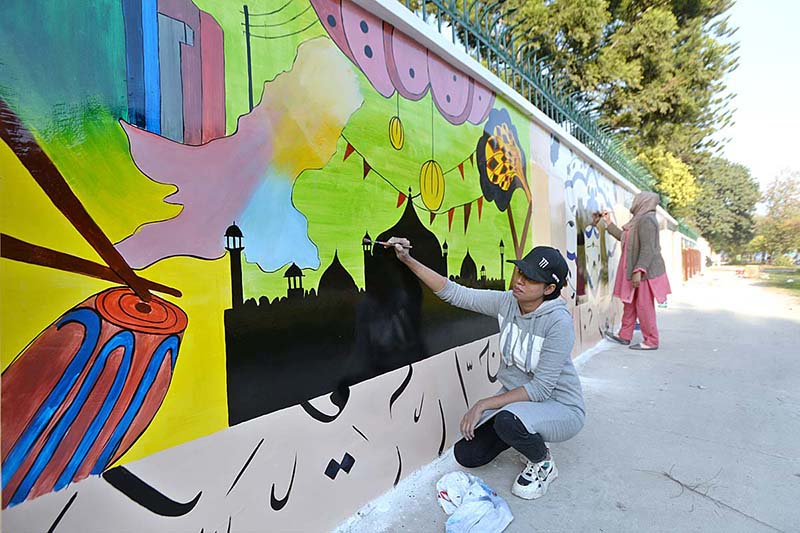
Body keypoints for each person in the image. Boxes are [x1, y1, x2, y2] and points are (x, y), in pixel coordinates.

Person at [386, 237, 584, 500]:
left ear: (549, 288)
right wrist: (408, 260)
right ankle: (528, 426)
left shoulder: (558, 323)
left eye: (531, 278)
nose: (520, 280)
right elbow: (455, 293)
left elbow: (541, 388)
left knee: (506, 421)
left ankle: (543, 462)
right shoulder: (508, 302)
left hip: (561, 406)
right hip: (519, 402)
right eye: (521, 271)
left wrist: (484, 403)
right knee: (468, 454)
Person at [593, 191, 671, 350]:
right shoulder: (638, 220)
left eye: (637, 199)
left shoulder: (647, 221)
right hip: (634, 269)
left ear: (644, 202)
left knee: (644, 306)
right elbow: (625, 238)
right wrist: (608, 223)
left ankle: (651, 341)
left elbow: (648, 249)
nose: (634, 201)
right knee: (629, 303)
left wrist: (639, 270)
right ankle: (625, 335)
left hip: (644, 272)